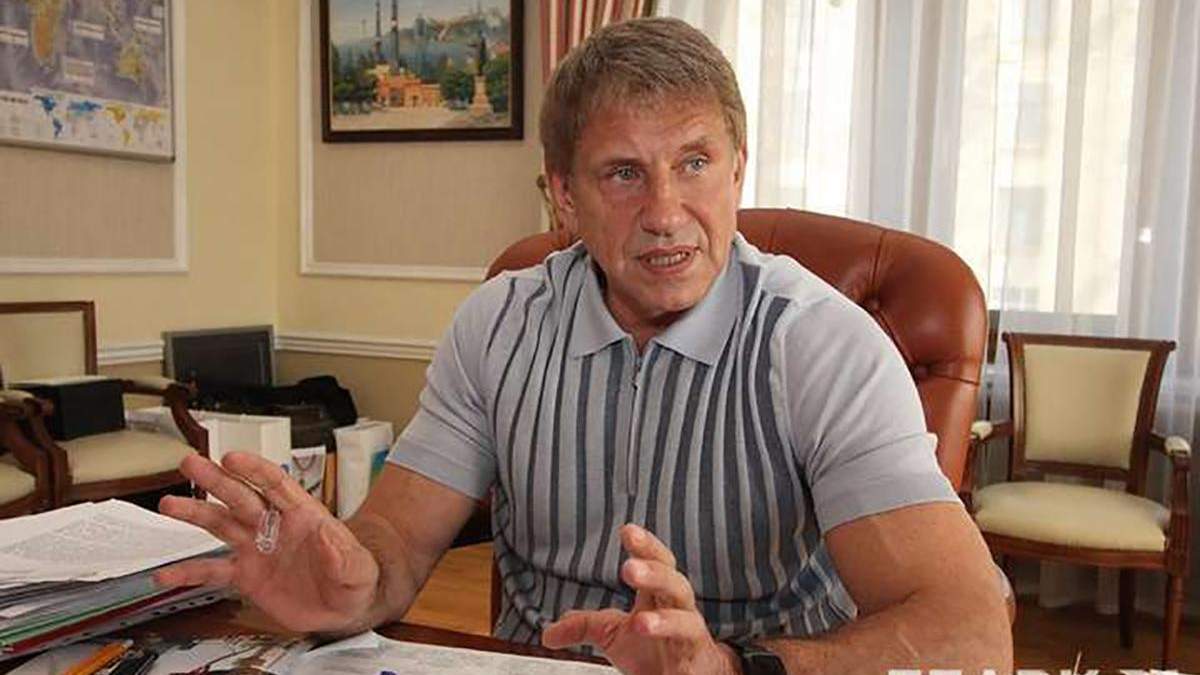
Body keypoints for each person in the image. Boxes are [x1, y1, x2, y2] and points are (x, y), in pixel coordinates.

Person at [156, 17, 1011, 675]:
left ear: (738, 169)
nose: (666, 213)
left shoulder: (821, 342)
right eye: (624, 173)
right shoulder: (499, 322)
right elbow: (395, 545)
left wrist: (732, 664)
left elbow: (971, 630)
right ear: (564, 195)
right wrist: (353, 581)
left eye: (695, 162)